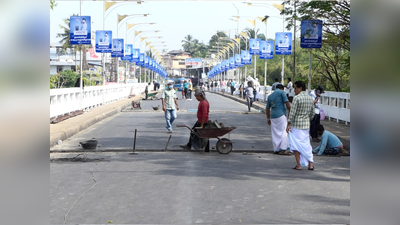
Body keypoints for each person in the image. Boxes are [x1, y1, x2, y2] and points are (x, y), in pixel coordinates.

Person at [286, 81, 315, 170]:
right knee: (306, 144)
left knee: (295, 145)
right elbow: (312, 113)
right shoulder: (310, 98)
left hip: (297, 125)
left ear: (300, 88)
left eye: (295, 88)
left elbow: (292, 112)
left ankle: (299, 165)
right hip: (306, 125)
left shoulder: (297, 98)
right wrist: (307, 119)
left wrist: (288, 123)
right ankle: (311, 164)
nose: (294, 90)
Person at [267, 84, 291, 155]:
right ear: (281, 88)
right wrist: (290, 111)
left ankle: (276, 149)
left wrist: (268, 118)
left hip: (273, 116)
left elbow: (267, 108)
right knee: (284, 132)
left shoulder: (270, 96)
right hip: (281, 115)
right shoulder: (282, 92)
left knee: (275, 133)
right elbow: (287, 103)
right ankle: (283, 149)